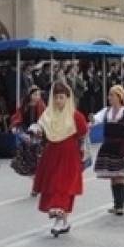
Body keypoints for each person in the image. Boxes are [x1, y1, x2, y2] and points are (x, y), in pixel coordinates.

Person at [29, 82, 88, 236]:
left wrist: (82, 151)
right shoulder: (48, 114)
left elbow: (82, 133)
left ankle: (58, 221)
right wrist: (36, 129)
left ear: (67, 99)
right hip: (52, 155)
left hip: (69, 157)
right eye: (56, 98)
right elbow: (41, 127)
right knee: (54, 185)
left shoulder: (75, 115)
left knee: (63, 187)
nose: (58, 101)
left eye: (61, 98)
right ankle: (64, 221)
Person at [91, 85, 124, 216]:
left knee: (120, 176)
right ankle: (116, 204)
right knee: (113, 177)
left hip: (123, 146)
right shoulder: (106, 111)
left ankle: (120, 206)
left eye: (112, 95)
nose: (110, 98)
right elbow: (96, 120)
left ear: (119, 97)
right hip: (109, 146)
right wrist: (91, 119)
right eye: (109, 95)